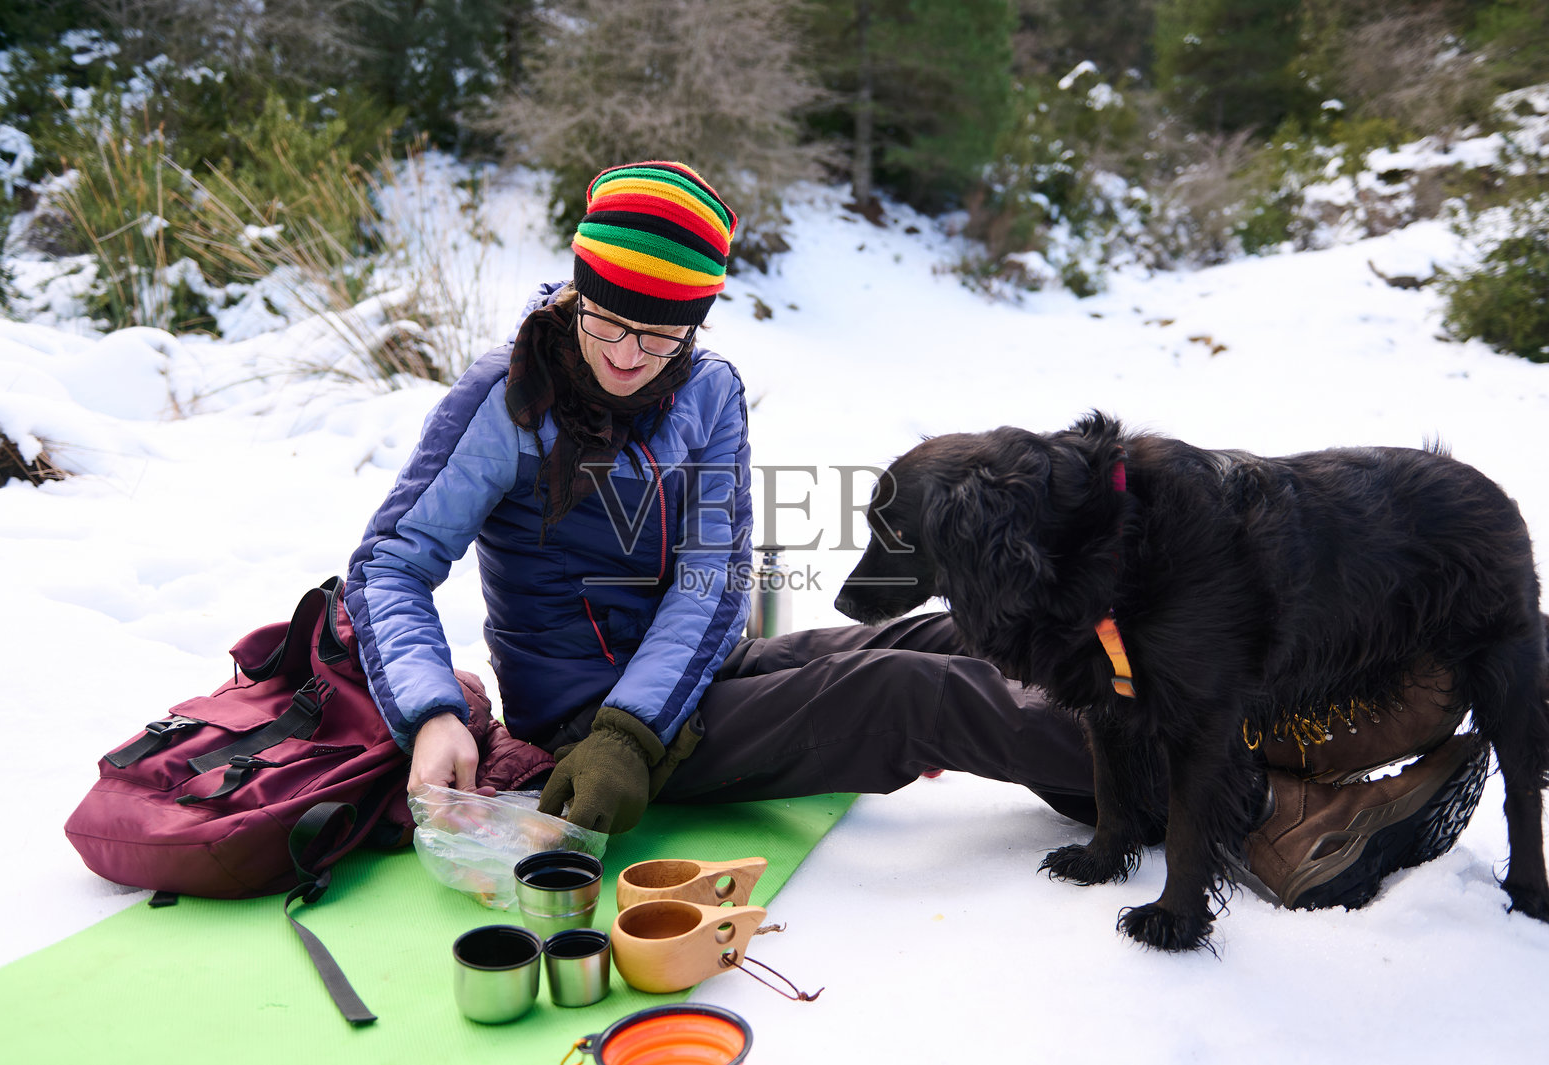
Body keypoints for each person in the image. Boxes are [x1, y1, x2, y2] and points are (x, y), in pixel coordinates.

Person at [345, 159, 1489, 914]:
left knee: (946, 634)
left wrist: (652, 715)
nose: (631, 353)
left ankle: (1233, 736)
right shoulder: (508, 404)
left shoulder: (709, 391)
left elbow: (709, 577)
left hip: (683, 685)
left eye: (664, 330)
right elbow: (390, 563)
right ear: (569, 296)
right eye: (608, 320)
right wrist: (443, 710)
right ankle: (1279, 816)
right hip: (589, 727)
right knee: (909, 699)